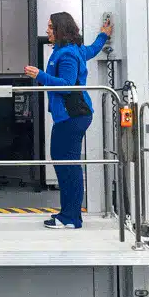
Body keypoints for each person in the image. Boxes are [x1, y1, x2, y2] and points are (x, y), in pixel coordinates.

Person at [24, 12, 112, 229]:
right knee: (64, 163)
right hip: (71, 116)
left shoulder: (68, 54)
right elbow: (91, 50)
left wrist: (39, 75)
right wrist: (103, 36)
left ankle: (71, 217)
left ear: (61, 29)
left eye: (51, 27)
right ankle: (68, 213)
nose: (47, 31)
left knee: (67, 165)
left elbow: (67, 84)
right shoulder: (72, 50)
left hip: (72, 116)